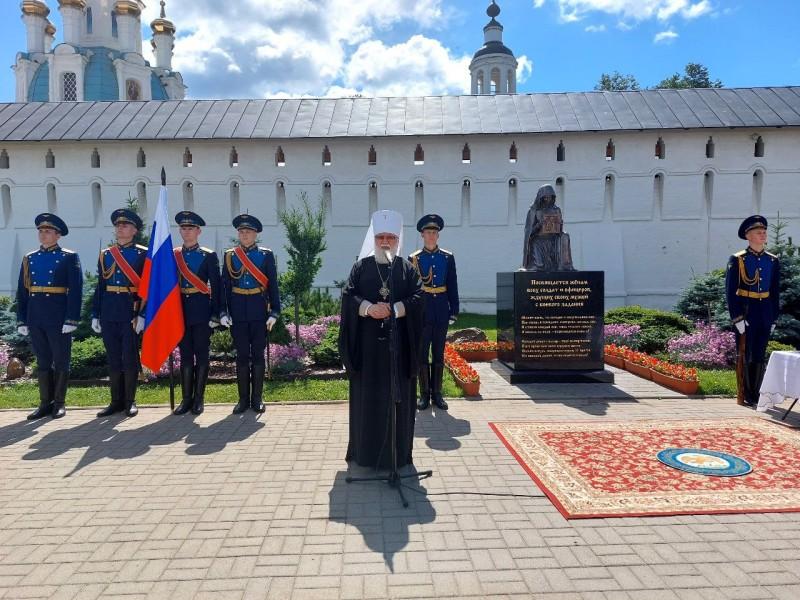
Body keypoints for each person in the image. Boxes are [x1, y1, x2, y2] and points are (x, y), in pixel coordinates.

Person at [339, 210, 424, 469]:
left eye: (390, 237)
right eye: (381, 237)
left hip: (397, 349)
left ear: (398, 240)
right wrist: (367, 307)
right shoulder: (361, 267)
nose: (385, 242)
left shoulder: (407, 269)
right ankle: (365, 454)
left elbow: (419, 298)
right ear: (374, 239)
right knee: (368, 400)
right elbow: (348, 295)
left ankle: (398, 455)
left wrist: (396, 308)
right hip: (367, 351)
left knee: (396, 400)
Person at [16, 213, 83, 420]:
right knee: (43, 360)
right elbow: (23, 290)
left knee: (61, 359)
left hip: (57, 314)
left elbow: (76, 289)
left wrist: (71, 319)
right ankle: (45, 403)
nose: (43, 235)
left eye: (48, 231)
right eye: (41, 231)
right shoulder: (30, 258)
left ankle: (60, 403)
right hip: (36, 314)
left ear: (58, 235)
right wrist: (22, 319)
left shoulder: (68, 257)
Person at [220, 214, 280, 414]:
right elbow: (225, 287)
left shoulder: (265, 255)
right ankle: (243, 399)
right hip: (237, 310)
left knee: (258, 356)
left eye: (248, 232)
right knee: (242, 356)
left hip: (258, 309)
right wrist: (223, 312)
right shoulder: (230, 255)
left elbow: (273, 286)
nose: (244, 235)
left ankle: (257, 398)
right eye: (241, 232)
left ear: (256, 234)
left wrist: (274, 312)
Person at [93, 209, 147, 418]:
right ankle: (115, 401)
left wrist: (142, 314)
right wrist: (96, 313)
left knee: (129, 357)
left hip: (130, 311)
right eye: (117, 225)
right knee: (113, 357)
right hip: (109, 310)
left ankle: (130, 401)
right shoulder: (106, 255)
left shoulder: (143, 254)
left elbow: (148, 288)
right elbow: (100, 286)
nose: (120, 228)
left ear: (134, 230)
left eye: (125, 225)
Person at [726, 215, 781, 407]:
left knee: (759, 352)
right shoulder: (738, 259)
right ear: (748, 236)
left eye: (764, 232)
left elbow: (775, 291)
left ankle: (756, 393)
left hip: (764, 310)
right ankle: (745, 393)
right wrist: (737, 318)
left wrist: (774, 316)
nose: (763, 235)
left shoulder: (772, 261)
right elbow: (731, 292)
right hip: (747, 311)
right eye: (759, 232)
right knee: (745, 352)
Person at [172, 211, 224, 416]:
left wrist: (215, 314)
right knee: (185, 354)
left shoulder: (208, 255)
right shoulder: (174, 255)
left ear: (198, 231)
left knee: (201, 354)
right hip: (180, 310)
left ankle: (199, 399)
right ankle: (186, 399)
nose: (187, 232)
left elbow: (217, 287)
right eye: (183, 228)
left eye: (190, 228)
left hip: (201, 308)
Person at [409, 214, 459, 411]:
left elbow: (453, 284)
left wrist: (453, 310)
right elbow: (412, 289)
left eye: (434, 232)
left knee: (438, 353)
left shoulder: (447, 257)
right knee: (422, 353)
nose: (431, 236)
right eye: (428, 232)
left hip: (441, 311)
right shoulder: (414, 258)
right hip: (423, 311)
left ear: (438, 236)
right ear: (422, 235)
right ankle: (424, 395)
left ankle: (437, 394)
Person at [522, 184, 574, 271]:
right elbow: (529, 232)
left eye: (550, 197)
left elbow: (560, 230)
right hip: (538, 239)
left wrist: (559, 224)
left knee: (565, 236)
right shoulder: (533, 211)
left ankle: (565, 265)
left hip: (553, 238)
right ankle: (538, 265)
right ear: (540, 198)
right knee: (535, 243)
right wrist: (539, 224)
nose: (547, 200)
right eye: (545, 198)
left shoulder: (556, 210)